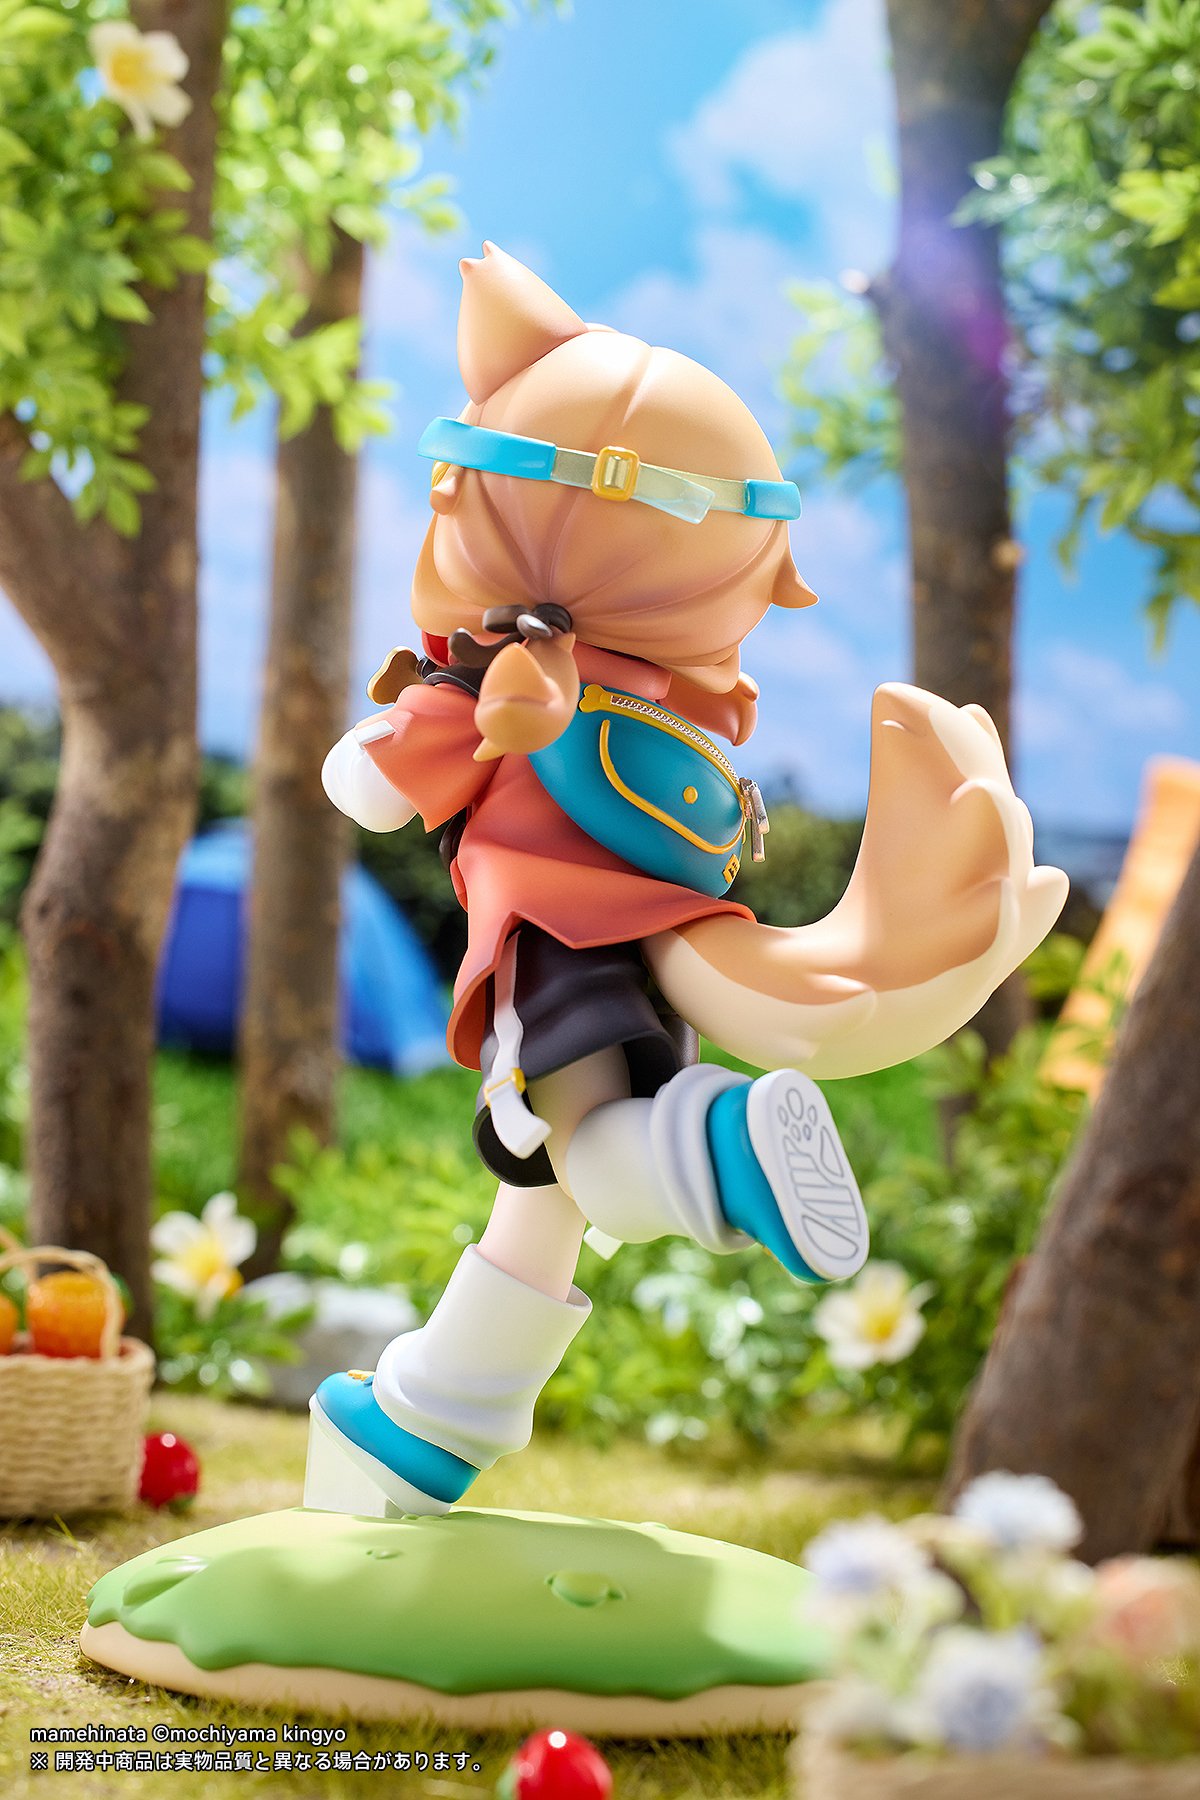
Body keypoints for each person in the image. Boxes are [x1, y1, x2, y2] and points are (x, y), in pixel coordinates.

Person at [304, 243, 1067, 1519]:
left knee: (587, 1156)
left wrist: (414, 713)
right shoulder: (653, 698)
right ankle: (433, 1422)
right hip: (663, 937)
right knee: (543, 1196)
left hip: (552, 943)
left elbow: (361, 785)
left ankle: (715, 1147)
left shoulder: (483, 688)